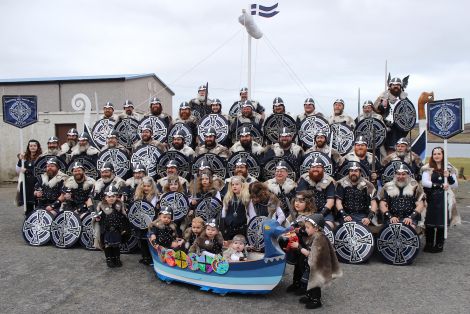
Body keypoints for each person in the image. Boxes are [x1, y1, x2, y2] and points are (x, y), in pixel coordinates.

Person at [295, 214, 342, 309]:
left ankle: (316, 300)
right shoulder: (315, 234)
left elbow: (311, 254)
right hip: (312, 264)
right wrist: (299, 230)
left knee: (315, 283)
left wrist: (299, 247)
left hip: (318, 266)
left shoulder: (319, 239)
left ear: (316, 228)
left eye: (308, 227)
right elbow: (304, 234)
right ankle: (309, 296)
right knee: (309, 281)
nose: (306, 229)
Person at [421, 147, 458, 253]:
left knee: (442, 220)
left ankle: (439, 244)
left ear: (443, 155)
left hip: (444, 198)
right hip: (431, 197)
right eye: (434, 154)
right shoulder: (428, 168)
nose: (436, 156)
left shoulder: (449, 168)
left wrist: (449, 176)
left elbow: (455, 185)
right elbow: (424, 182)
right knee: (429, 220)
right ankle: (429, 244)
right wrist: (439, 186)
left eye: (439, 154)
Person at [285, 191, 317, 295]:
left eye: (301, 201)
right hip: (295, 243)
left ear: (308, 203)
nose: (297, 203)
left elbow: (311, 233)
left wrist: (301, 229)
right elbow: (286, 224)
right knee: (297, 265)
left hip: (305, 245)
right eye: (296, 201)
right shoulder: (294, 214)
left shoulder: (311, 217)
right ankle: (296, 283)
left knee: (304, 266)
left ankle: (305, 287)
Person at [379, 163, 425, 228]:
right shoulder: (388, 186)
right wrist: (390, 217)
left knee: (409, 230)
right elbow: (382, 204)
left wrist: (410, 217)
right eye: (398, 174)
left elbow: (420, 205)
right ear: (395, 175)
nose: (400, 176)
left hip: (411, 219)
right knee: (391, 231)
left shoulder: (415, 186)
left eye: (403, 174)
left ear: (408, 175)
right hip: (392, 218)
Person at [374, 76, 410, 154]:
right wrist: (382, 106)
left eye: (397, 84)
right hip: (385, 127)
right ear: (390, 86)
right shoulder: (383, 97)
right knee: (383, 150)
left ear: (401, 86)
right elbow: (376, 111)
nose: (395, 86)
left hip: (399, 129)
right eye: (393, 85)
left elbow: (409, 113)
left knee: (397, 148)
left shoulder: (404, 99)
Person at [296, 158, 335, 228]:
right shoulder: (304, 179)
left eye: (318, 167)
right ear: (309, 169)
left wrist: (321, 215)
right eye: (313, 167)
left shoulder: (329, 181)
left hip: (324, 212)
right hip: (306, 211)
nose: (315, 169)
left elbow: (330, 202)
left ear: (323, 169)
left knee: (329, 226)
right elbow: (300, 199)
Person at [95, 185, 126, 267]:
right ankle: (109, 260)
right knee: (107, 246)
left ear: (116, 196)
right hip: (106, 230)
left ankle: (117, 259)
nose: (111, 198)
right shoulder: (101, 205)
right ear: (105, 197)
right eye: (109, 196)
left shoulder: (119, 205)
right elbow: (97, 217)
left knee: (116, 246)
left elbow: (123, 217)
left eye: (113, 196)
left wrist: (123, 228)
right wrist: (97, 218)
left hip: (117, 230)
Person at [134, 176, 158, 265]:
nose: (146, 188)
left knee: (150, 240)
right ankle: (145, 257)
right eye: (144, 186)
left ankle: (152, 258)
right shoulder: (138, 196)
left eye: (148, 186)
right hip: (140, 222)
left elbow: (154, 210)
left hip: (151, 222)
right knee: (142, 240)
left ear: (152, 187)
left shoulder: (155, 197)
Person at [221, 176, 252, 240]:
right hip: (229, 229)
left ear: (242, 185)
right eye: (233, 185)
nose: (234, 186)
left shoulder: (246, 199)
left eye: (237, 184)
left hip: (242, 229)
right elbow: (224, 212)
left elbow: (251, 214)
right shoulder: (228, 198)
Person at [16, 139, 42, 215]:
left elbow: (40, 171)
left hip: (37, 183)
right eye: (31, 146)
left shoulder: (41, 158)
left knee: (38, 204)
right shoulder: (25, 157)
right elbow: (18, 169)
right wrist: (20, 160)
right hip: (26, 184)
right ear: (28, 147)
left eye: (34, 146)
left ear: (38, 147)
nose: (32, 147)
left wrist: (27, 170)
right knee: (28, 206)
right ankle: (28, 221)